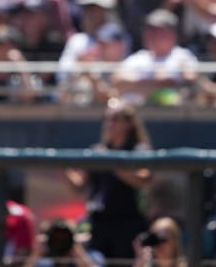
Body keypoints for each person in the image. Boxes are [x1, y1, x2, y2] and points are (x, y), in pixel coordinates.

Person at [64, 101, 153, 264]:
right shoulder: (98, 150)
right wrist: (65, 169)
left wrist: (111, 162)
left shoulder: (138, 149)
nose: (109, 124)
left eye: (115, 119)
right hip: (99, 223)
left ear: (129, 123)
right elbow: (80, 186)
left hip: (128, 223)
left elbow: (143, 179)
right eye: (107, 119)